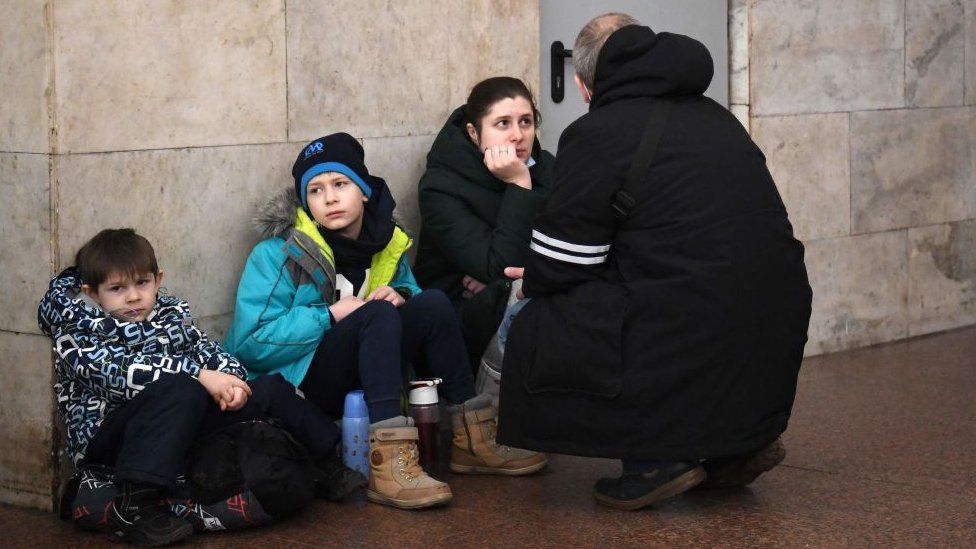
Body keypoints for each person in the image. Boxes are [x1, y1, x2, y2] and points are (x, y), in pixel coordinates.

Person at [496, 14, 813, 510]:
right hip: (778, 311)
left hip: (692, 318)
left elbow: (564, 262)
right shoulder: (716, 117)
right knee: (682, 294)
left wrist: (531, 277)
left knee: (541, 316)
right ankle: (737, 444)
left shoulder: (596, 132)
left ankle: (652, 460)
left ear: (583, 84)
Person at [224, 133, 546, 510]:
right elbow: (250, 342)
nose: (329, 198)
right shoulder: (279, 253)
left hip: (367, 365)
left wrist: (401, 296)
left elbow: (407, 289)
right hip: (304, 383)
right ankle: (388, 464)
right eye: (314, 190)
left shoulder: (386, 242)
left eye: (340, 184)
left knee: (433, 303)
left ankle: (473, 440)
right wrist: (326, 316)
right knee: (374, 314)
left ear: (363, 190)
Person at [37, 228, 365, 547]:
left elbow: (214, 355)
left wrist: (231, 383)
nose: (134, 296)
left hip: (174, 426)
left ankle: (325, 464)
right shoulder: (78, 332)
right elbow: (115, 374)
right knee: (180, 387)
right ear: (93, 293)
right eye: (117, 288)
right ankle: (135, 507)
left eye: (142, 283)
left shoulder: (170, 319)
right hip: (109, 443)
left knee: (267, 388)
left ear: (158, 280)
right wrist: (200, 376)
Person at [414, 77, 555, 371]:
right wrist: (519, 184)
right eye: (503, 123)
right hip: (463, 317)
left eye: (526, 122)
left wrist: (501, 281)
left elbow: (571, 240)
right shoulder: (441, 186)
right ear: (474, 133)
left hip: (521, 292)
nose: (518, 135)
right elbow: (499, 264)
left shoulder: (548, 169)